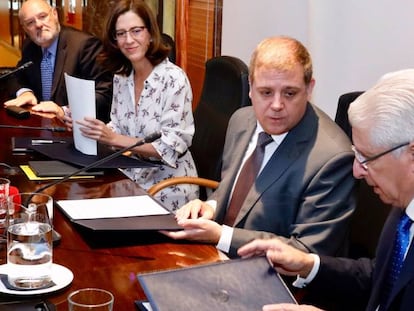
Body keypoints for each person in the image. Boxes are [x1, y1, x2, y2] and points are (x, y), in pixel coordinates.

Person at [162, 36, 356, 258]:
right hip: (213, 256)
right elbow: (232, 189)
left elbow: (307, 253)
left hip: (275, 280)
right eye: (265, 92)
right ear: (250, 88)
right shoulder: (241, 121)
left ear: (309, 88)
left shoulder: (332, 157)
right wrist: (210, 207)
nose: (276, 105)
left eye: (289, 93)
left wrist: (222, 236)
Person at [238, 69, 414, 311]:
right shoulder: (403, 210)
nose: (357, 171)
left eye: (367, 157)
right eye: (356, 154)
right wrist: (308, 264)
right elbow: (379, 278)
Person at [75, 0, 198, 211]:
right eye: (121, 33)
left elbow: (168, 148)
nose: (128, 40)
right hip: (132, 176)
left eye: (136, 31)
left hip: (169, 187)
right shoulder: (122, 76)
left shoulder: (174, 80)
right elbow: (119, 126)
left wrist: (114, 138)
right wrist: (89, 126)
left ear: (150, 33)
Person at [3, 0, 112, 122]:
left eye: (43, 16)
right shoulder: (30, 46)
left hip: (76, 129)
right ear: (25, 29)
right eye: (30, 22)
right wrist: (25, 92)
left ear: (54, 14)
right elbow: (15, 77)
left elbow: (104, 93)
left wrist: (64, 111)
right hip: (42, 126)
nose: (38, 24)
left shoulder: (84, 45)